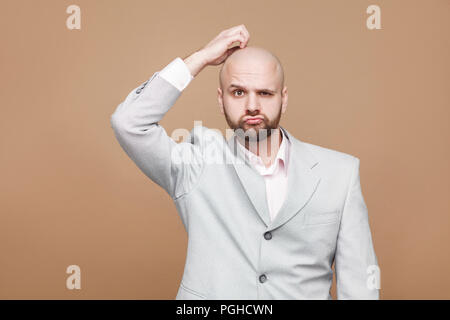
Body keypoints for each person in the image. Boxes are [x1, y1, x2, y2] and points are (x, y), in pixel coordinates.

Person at [110, 24, 379, 299]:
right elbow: (128, 123)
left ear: (283, 98)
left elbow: (360, 284)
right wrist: (201, 57)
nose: (252, 106)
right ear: (221, 98)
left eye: (265, 93)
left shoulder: (340, 174)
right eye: (238, 92)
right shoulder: (197, 164)